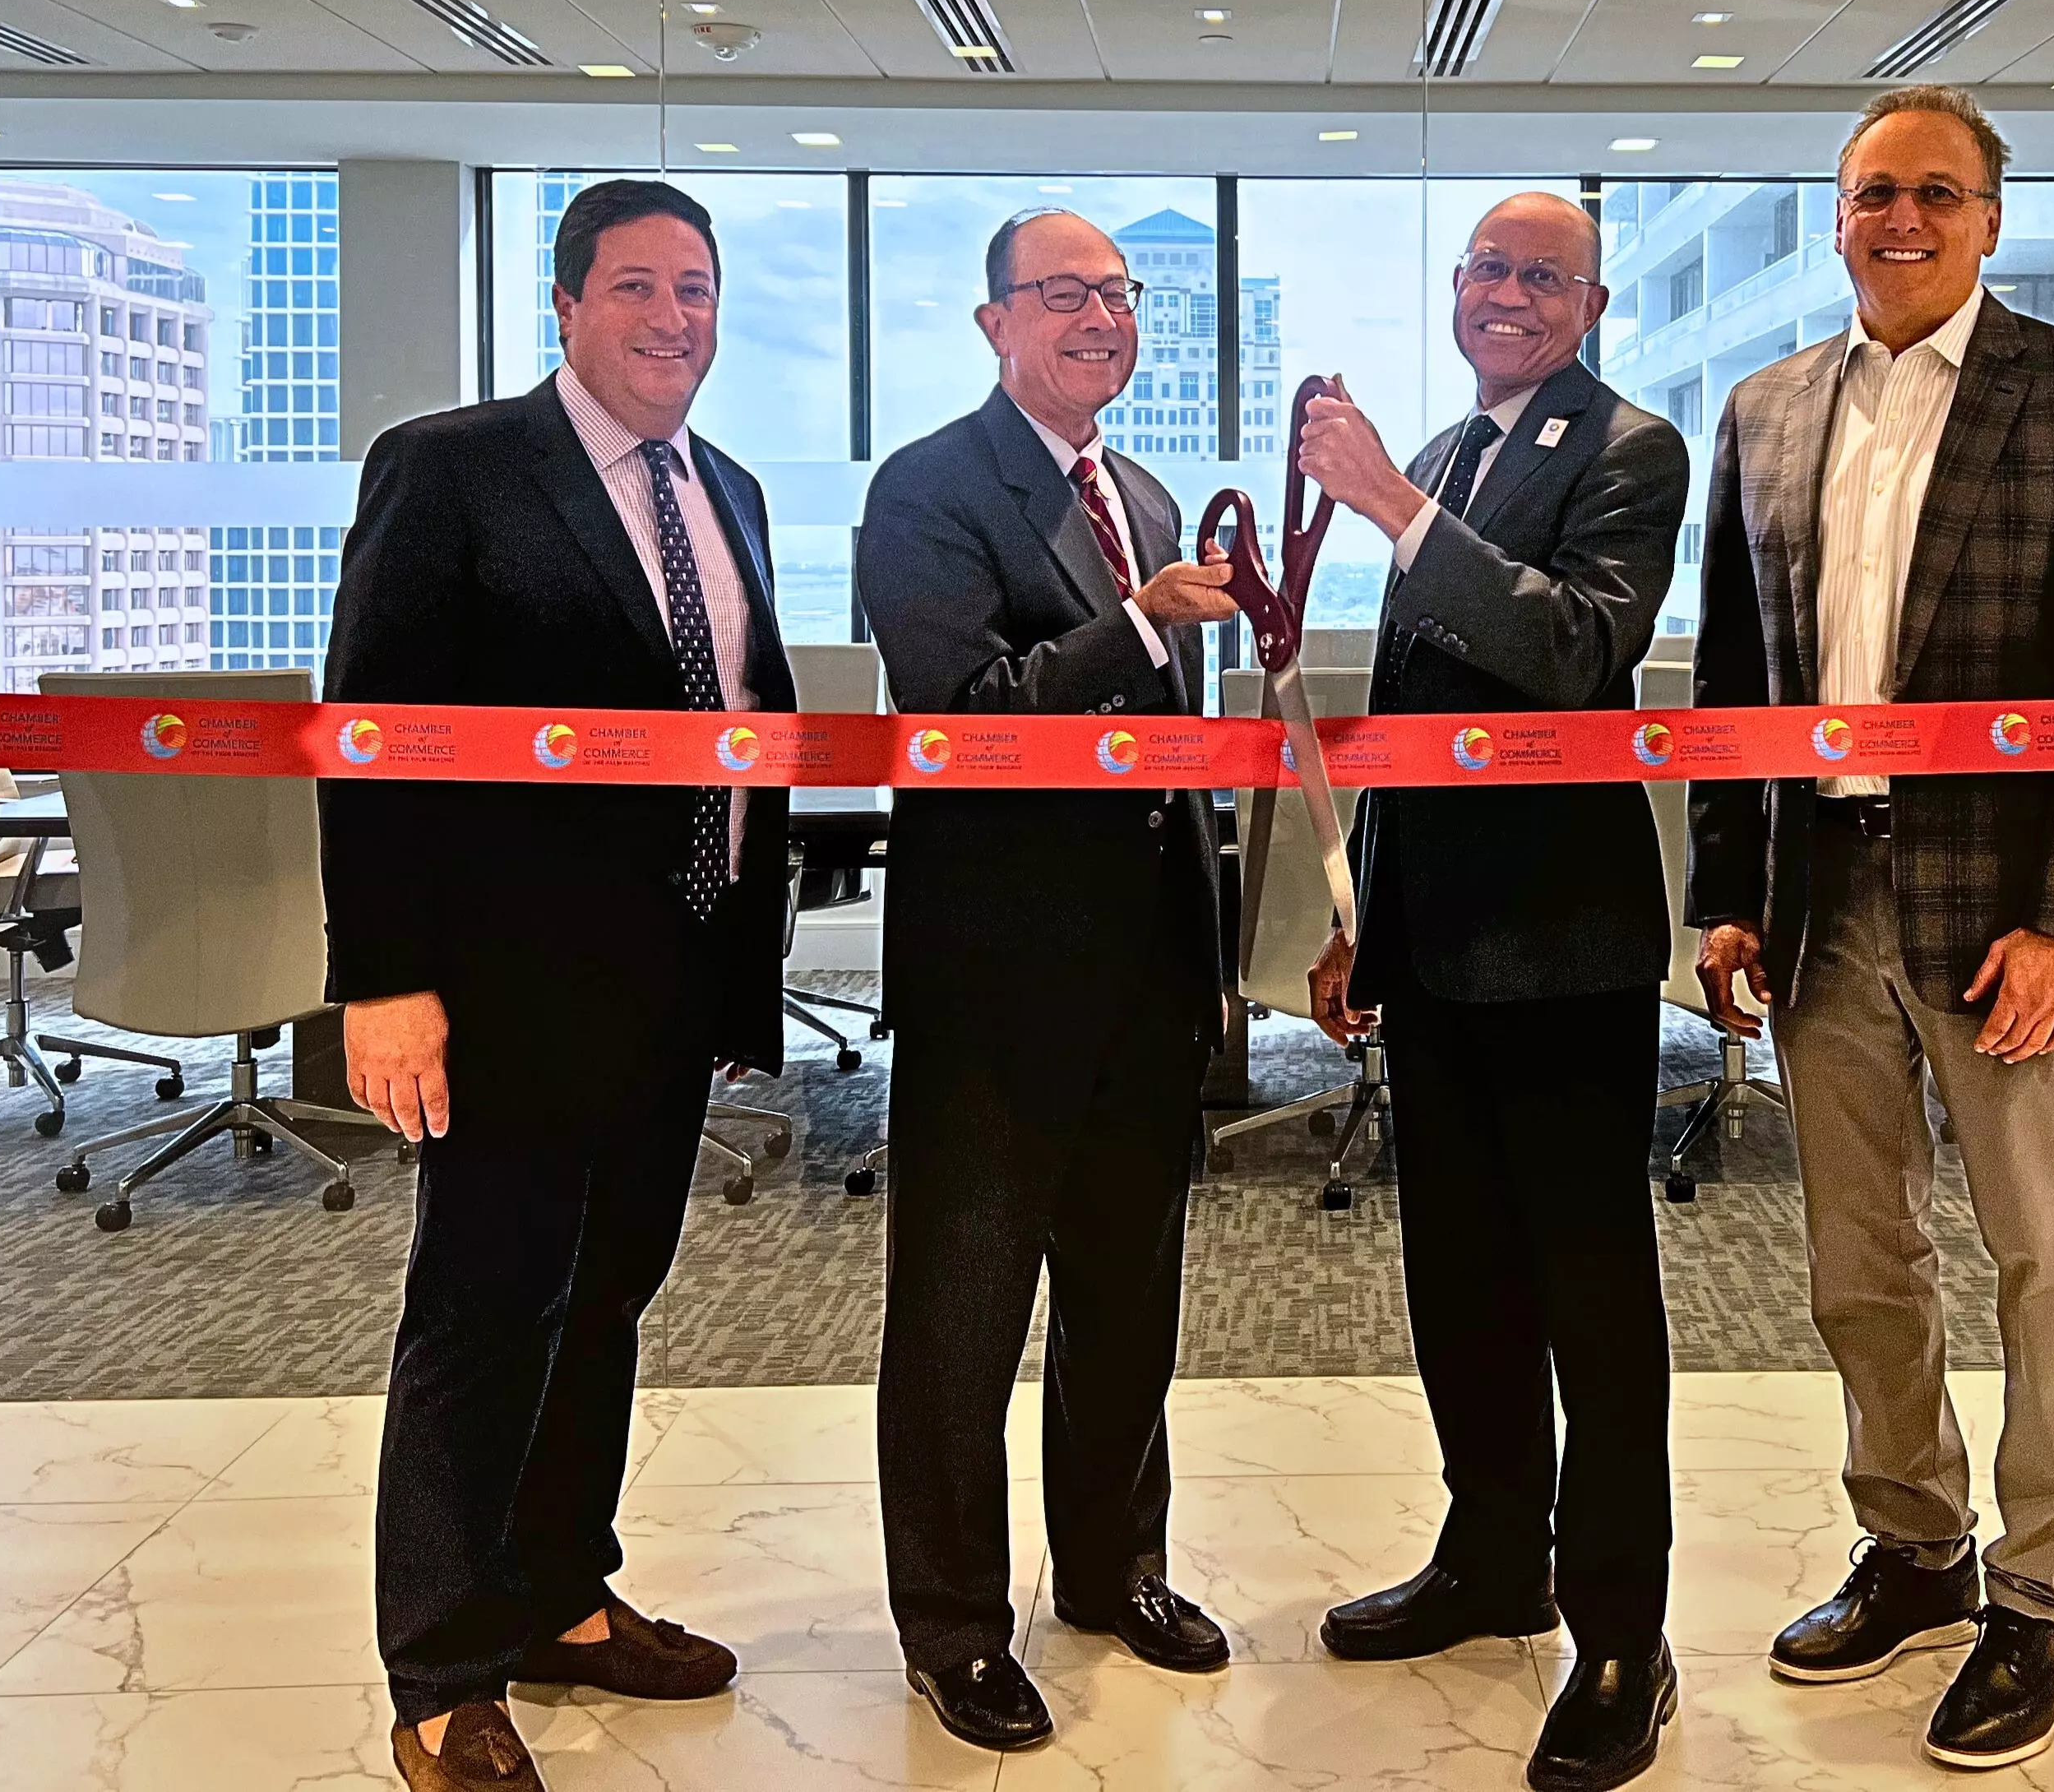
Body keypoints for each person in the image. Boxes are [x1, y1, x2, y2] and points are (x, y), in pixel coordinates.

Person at [1686, 85, 2054, 1772]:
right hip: (1819, 899)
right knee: (1857, 1260)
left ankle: (2039, 1594)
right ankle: (1914, 1546)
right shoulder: (1761, 411)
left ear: (1990, 218)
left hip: (2001, 918)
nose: (1900, 219)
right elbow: (1733, 689)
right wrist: (1726, 899)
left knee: (2046, 1261)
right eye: (1871, 193)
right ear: (1836, 218)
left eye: (1935, 193)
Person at [322, 179, 795, 1792]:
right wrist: (382, 977)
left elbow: (745, 736)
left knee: (608, 1298)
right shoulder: (452, 470)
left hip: (672, 978)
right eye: (641, 288)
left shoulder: (724, 488)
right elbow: (372, 733)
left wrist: (745, 972)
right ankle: (442, 1673)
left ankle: (560, 1597)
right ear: (568, 303)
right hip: (506, 986)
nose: (676, 319)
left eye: (699, 290)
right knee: (484, 1312)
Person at [1298, 191, 1688, 1792]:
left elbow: (1577, 656)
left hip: (1564, 953)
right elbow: (1411, 724)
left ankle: (1619, 1636)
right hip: (1435, 945)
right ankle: (1490, 1560)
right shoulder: (1461, 457)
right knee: (1459, 1277)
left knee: (1591, 1301)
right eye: (1484, 270)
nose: (1506, 293)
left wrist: (1385, 500)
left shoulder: (1625, 450)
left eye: (1540, 275)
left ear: (1589, 307)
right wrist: (1355, 924)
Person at [854, 207, 1237, 1753]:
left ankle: (1108, 1566)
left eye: (1119, 295)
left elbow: (1172, 753)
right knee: (962, 1309)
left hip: (1150, 966)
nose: (1100, 317)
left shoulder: (1139, 490)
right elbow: (963, 713)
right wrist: (1138, 620)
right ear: (993, 318)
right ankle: (951, 1622)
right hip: (999, 976)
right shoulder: (931, 489)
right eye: (1065, 293)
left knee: (1127, 1294)